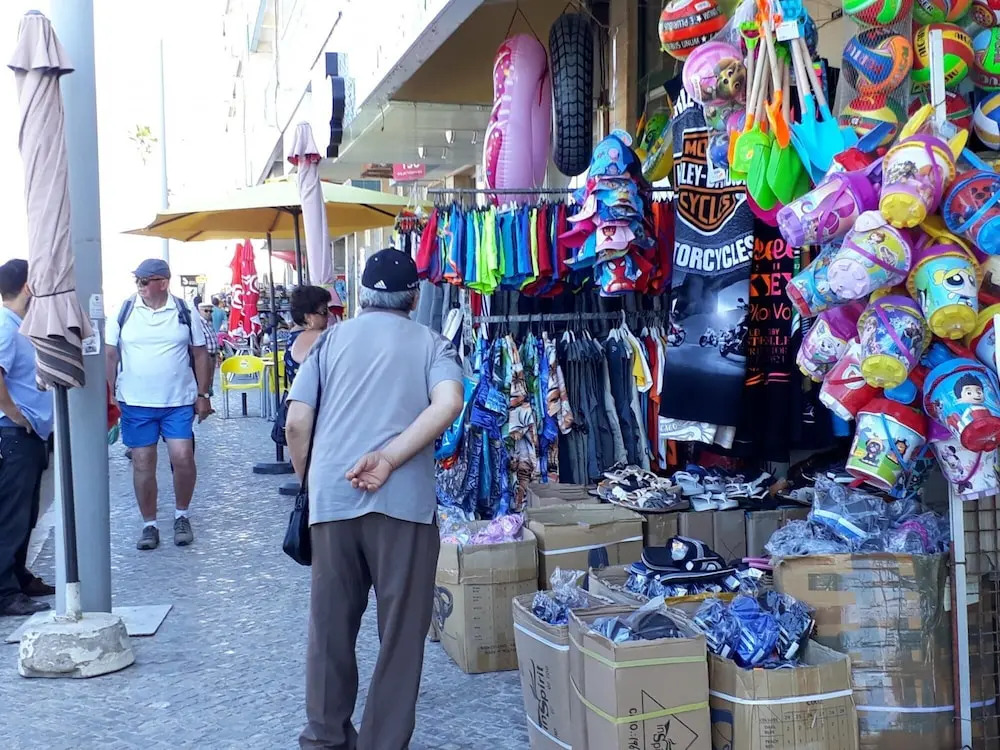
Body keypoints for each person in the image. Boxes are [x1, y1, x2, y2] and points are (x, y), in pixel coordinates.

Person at [286, 249, 464, 750]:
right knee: (401, 637)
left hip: (334, 499)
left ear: (361, 296)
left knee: (329, 628)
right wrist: (388, 457)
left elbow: (296, 422)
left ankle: (325, 738)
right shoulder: (432, 343)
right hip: (404, 506)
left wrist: (312, 483)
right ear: (415, 297)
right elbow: (450, 402)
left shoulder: (329, 340)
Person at [105, 259, 213, 551]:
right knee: (142, 462)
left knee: (183, 457)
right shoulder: (125, 310)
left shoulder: (184, 310)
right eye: (137, 281)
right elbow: (110, 354)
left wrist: (203, 394)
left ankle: (181, 515)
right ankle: (149, 524)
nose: (139, 286)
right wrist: (110, 394)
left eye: (144, 281)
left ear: (163, 283)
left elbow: (200, 353)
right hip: (135, 401)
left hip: (178, 400)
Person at [0, 260, 55, 617]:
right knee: (13, 515)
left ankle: (18, 577)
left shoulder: (18, 325)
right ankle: (5, 591)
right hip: (15, 433)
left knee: (25, 513)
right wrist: (18, 416)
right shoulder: (7, 327)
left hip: (27, 434)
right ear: (29, 287)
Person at [285, 285, 333, 387]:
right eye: (324, 311)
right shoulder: (315, 337)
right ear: (308, 317)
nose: (330, 315)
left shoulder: (293, 335)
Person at [197, 302, 220, 389]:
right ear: (199, 311)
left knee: (210, 381)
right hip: (205, 357)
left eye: (211, 311)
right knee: (204, 382)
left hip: (212, 356)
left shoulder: (209, 323)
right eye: (206, 311)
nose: (209, 313)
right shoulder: (198, 324)